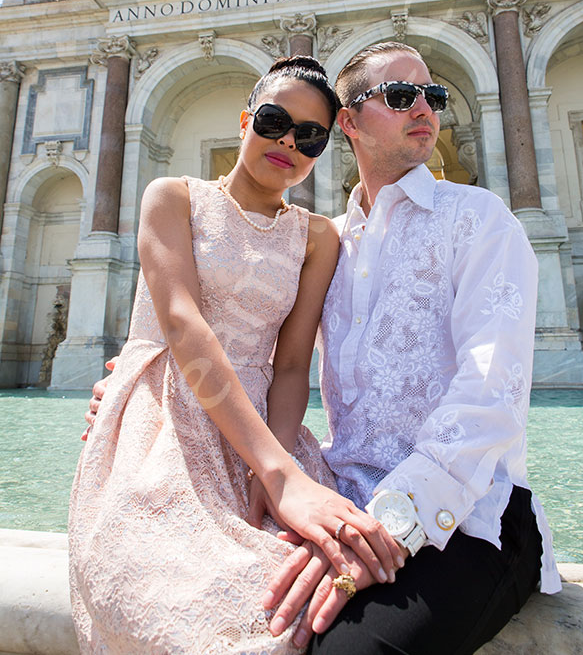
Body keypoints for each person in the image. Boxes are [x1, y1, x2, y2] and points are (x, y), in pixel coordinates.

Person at [69, 55, 401, 655]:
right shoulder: (172, 196)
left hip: (267, 432)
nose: (288, 143)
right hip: (163, 427)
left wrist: (272, 471)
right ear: (246, 119)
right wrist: (276, 470)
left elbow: (294, 363)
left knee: (309, 589)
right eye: (275, 120)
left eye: (310, 137)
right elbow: (181, 322)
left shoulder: (318, 237)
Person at [260, 41, 562, 654]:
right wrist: (142, 380)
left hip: (473, 519)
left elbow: (490, 397)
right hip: (347, 504)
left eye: (434, 96)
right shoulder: (327, 246)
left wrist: (391, 528)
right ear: (348, 122)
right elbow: (258, 359)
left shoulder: (481, 219)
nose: (424, 107)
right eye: (400, 96)